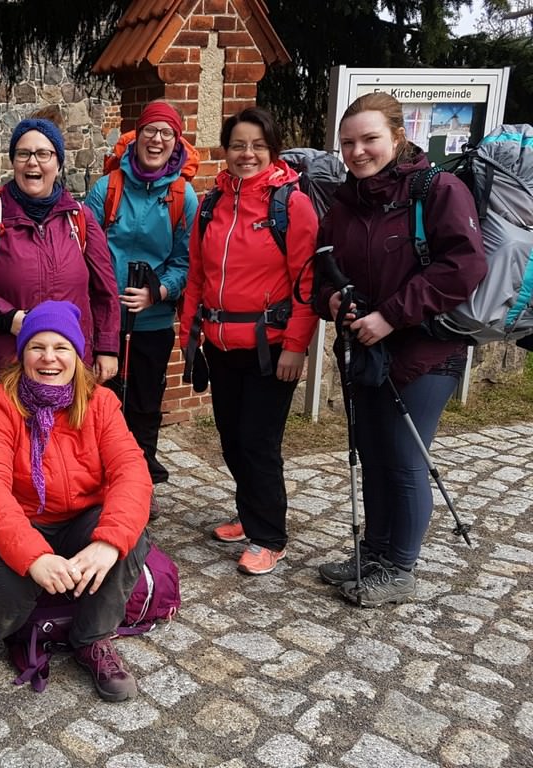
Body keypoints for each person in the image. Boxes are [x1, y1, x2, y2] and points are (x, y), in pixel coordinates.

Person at [313, 92, 487, 606]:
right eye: (348, 143)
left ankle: (401, 568)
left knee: (404, 456)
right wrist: (335, 304)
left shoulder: (437, 190)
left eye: (369, 139)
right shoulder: (346, 204)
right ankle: (377, 552)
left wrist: (390, 315)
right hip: (369, 350)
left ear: (397, 136)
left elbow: (464, 266)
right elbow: (319, 274)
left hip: (428, 350)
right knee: (373, 451)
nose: (358, 151)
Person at [0, 300, 151, 707]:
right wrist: (33, 556)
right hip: (24, 521)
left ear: (77, 356)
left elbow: (131, 471)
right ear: (22, 355)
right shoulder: (0, 403)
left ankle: (92, 639)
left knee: (128, 536)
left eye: (61, 347)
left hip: (83, 519)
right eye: (37, 346)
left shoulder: (101, 403)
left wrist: (108, 541)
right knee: (10, 572)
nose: (49, 357)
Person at [178, 107, 320, 576]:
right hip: (220, 345)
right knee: (232, 439)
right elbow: (197, 276)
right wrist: (189, 333)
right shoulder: (212, 204)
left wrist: (297, 344)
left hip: (271, 347)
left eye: (257, 145)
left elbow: (306, 280)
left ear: (272, 149)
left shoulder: (290, 204)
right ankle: (249, 513)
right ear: (225, 149)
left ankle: (269, 536)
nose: (247, 154)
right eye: (238, 144)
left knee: (259, 442)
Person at [0, 117, 121, 404]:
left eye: (43, 154)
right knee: (7, 447)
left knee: (68, 447)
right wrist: (10, 319)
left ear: (58, 163)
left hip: (68, 364)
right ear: (13, 161)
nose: (33, 162)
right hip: (4, 364)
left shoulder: (80, 218)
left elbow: (105, 290)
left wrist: (107, 348)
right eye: (23, 154)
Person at [86, 100, 198, 517]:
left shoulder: (182, 197)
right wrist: (103, 291)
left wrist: (158, 292)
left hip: (150, 322)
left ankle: (138, 485)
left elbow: (186, 261)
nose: (157, 139)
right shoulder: (108, 188)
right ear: (137, 135)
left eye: (166, 133)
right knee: (102, 402)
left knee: (145, 406)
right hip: (105, 319)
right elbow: (86, 244)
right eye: (151, 130)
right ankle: (100, 482)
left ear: (176, 141)